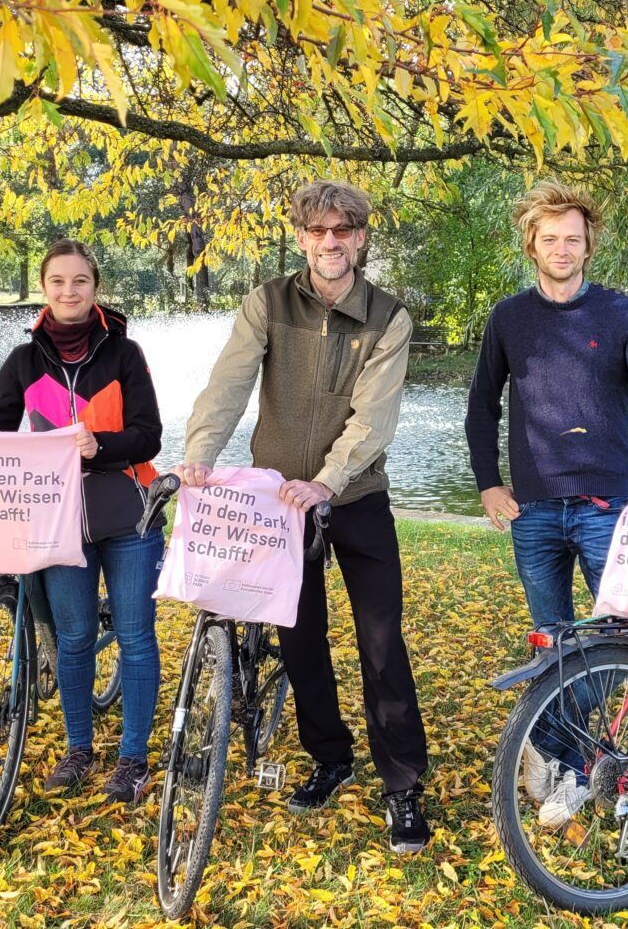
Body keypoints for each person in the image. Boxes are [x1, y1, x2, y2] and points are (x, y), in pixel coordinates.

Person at [177, 181, 433, 854]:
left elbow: (373, 419)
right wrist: (199, 456)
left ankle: (403, 784)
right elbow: (228, 383)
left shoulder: (388, 317)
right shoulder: (267, 302)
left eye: (343, 230)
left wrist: (326, 481)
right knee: (300, 639)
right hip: (277, 504)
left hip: (355, 497)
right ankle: (331, 755)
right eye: (318, 230)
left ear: (360, 238)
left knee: (382, 643)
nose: (330, 242)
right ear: (300, 237)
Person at [464, 180, 628, 828]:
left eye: (572, 238)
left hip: (605, 507)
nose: (561, 248)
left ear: (588, 244)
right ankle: (570, 770)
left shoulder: (623, 315)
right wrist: (489, 482)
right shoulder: (508, 318)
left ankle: (548, 750)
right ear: (532, 244)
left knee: (626, 638)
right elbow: (480, 405)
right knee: (553, 645)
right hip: (533, 512)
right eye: (549, 238)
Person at [0, 239, 164, 803]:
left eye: (80, 281)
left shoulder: (125, 354)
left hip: (127, 515)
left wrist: (100, 446)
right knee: (74, 638)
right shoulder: (23, 361)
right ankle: (79, 748)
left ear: (95, 288)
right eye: (58, 282)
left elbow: (149, 435)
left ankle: (133, 758)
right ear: (45, 289)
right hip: (54, 524)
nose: (69, 291)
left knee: (135, 636)